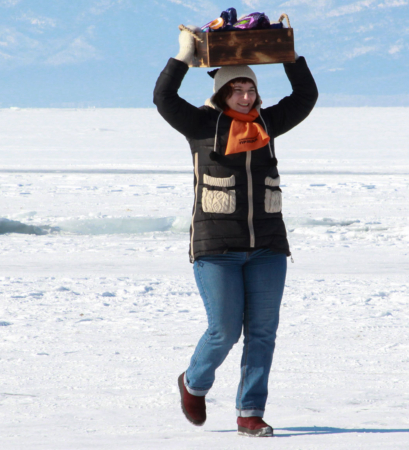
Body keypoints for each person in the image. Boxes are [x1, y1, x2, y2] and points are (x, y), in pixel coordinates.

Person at [153, 26, 317, 437]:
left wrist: (288, 55)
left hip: (267, 246)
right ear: (222, 93)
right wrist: (182, 58)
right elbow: (164, 98)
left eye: (250, 89)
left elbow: (305, 96)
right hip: (216, 247)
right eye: (237, 90)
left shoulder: (267, 124)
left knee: (262, 333)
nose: (245, 97)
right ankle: (193, 383)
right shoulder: (200, 125)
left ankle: (250, 413)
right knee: (224, 330)